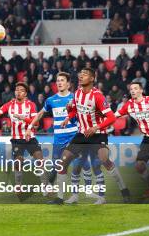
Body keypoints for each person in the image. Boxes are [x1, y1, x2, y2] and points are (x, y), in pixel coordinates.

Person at [55, 68, 130, 204]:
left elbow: (111, 117)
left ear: (92, 79)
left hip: (97, 134)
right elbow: (75, 110)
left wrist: (96, 127)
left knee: (104, 160)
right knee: (63, 161)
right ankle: (62, 198)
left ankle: (123, 190)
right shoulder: (77, 93)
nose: (81, 76)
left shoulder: (97, 96)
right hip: (82, 134)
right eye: (80, 74)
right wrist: (68, 116)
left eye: (85, 74)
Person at [26, 72, 100, 204]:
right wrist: (30, 126)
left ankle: (88, 191)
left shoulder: (76, 98)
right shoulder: (51, 100)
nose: (59, 83)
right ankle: (60, 197)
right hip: (59, 139)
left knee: (83, 164)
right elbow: (40, 114)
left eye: (62, 80)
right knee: (59, 167)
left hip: (74, 136)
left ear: (68, 83)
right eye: (57, 81)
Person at [110, 80, 149, 197]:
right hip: (148, 139)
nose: (133, 91)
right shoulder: (129, 105)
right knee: (139, 165)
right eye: (131, 89)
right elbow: (115, 115)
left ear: (141, 90)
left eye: (135, 88)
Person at [0, 82, 46, 193]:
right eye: (16, 90)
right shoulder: (10, 104)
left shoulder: (31, 105)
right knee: (18, 161)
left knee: (40, 159)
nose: (18, 92)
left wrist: (22, 118)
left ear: (25, 93)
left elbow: (37, 124)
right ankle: (18, 186)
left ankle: (45, 186)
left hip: (30, 138)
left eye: (21, 90)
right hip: (16, 139)